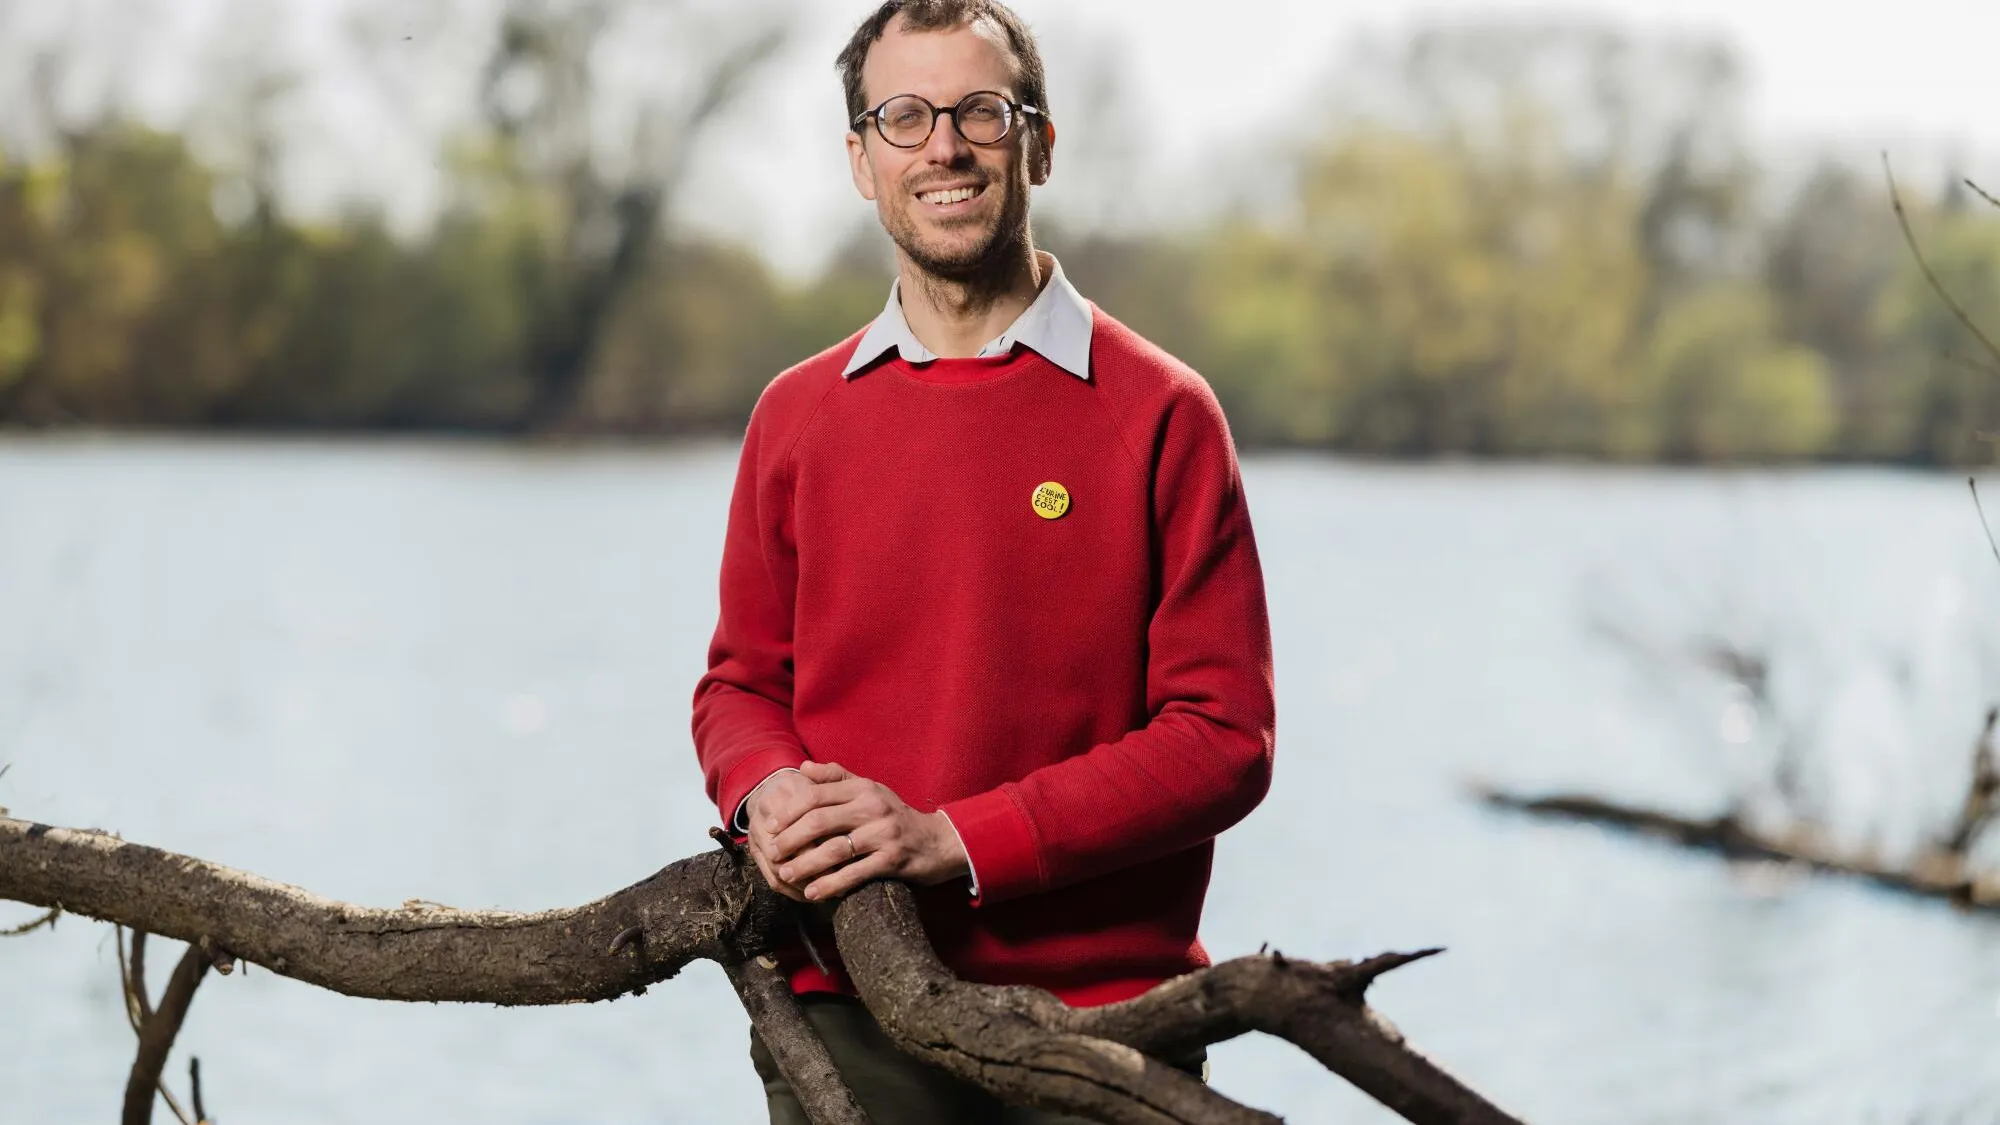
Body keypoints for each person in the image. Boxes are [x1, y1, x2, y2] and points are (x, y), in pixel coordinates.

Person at [689, 2, 1276, 1120]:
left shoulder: (1161, 411)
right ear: (860, 161)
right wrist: (762, 793)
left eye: (978, 113)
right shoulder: (795, 416)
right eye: (902, 117)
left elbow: (1222, 740)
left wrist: (953, 837)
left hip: (1111, 1022)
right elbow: (739, 686)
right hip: (851, 1009)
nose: (942, 147)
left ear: (1039, 142)